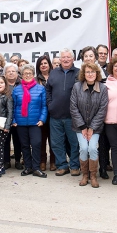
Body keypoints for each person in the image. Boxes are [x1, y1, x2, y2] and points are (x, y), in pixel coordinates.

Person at [70, 63, 109, 188]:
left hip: (95, 128)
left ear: (97, 74)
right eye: (87, 72)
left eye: (93, 72)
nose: (90, 74)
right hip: (79, 127)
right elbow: (73, 107)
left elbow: (103, 109)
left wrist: (91, 127)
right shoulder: (77, 87)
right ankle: (85, 175)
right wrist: (83, 127)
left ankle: (93, 175)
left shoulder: (103, 88)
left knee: (92, 148)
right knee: (83, 148)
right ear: (83, 74)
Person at [46, 48, 81, 177]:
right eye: (63, 57)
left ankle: (75, 166)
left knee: (74, 143)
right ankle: (62, 165)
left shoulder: (79, 73)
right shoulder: (54, 73)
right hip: (55, 115)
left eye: (68, 57)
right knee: (56, 143)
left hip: (72, 116)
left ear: (73, 59)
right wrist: (50, 104)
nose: (66, 59)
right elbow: (48, 90)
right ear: (60, 60)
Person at [12, 64, 48, 178]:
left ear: (33, 75)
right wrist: (13, 120)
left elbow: (44, 106)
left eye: (30, 73)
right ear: (21, 76)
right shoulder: (16, 90)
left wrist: (42, 119)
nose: (27, 75)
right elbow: (12, 107)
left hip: (35, 122)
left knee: (37, 143)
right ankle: (28, 167)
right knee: (25, 145)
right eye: (25, 73)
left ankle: (36, 168)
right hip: (20, 122)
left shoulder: (40, 88)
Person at [35, 55, 55, 171]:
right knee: (41, 139)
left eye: (45, 63)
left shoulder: (55, 76)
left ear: (49, 65)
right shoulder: (35, 79)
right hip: (40, 113)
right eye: (41, 63)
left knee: (53, 139)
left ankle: (53, 161)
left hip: (53, 113)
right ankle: (42, 161)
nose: (43, 65)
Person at [4, 62, 22, 169]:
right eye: (8, 71)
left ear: (17, 73)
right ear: (5, 74)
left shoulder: (22, 84)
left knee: (18, 140)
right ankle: (6, 161)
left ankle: (18, 160)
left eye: (13, 71)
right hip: (4, 116)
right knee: (5, 140)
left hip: (18, 116)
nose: (11, 73)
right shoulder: (1, 83)